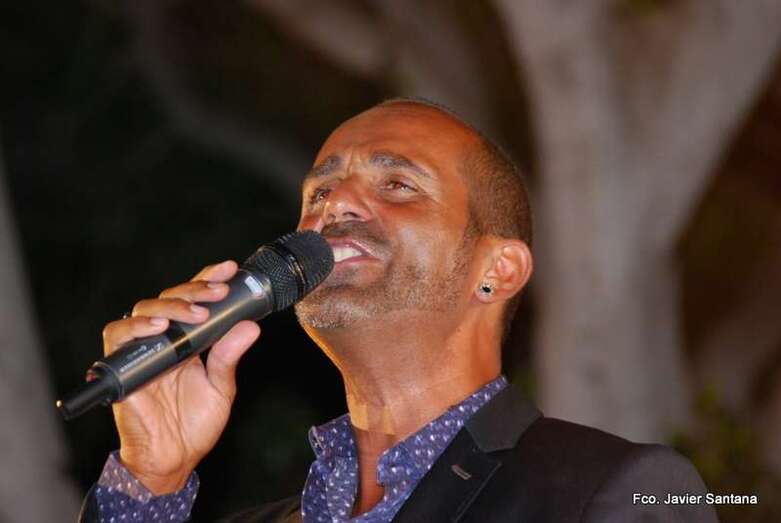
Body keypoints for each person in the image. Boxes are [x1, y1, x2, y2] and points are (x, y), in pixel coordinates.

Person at [78, 99, 718, 522]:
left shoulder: (611, 490)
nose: (335, 204)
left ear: (497, 272)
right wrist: (151, 479)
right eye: (319, 191)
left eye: (398, 185)